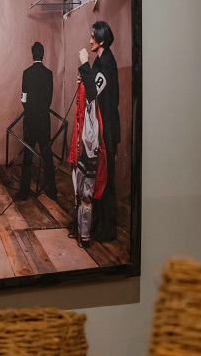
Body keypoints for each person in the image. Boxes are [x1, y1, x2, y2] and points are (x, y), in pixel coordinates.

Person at [78, 21, 120, 242]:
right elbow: (92, 84)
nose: (90, 40)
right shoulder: (100, 60)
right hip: (100, 127)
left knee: (107, 179)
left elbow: (95, 90)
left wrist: (84, 64)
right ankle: (99, 225)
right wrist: (84, 76)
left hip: (108, 130)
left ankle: (109, 229)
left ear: (101, 40)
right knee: (98, 177)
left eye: (93, 37)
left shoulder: (107, 63)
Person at [16, 42, 56, 201]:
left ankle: (23, 192)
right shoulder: (49, 74)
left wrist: (29, 110)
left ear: (33, 55)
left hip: (30, 119)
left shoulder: (26, 73)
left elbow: (23, 97)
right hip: (44, 119)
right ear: (43, 55)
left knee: (28, 155)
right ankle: (52, 191)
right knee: (47, 154)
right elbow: (49, 98)